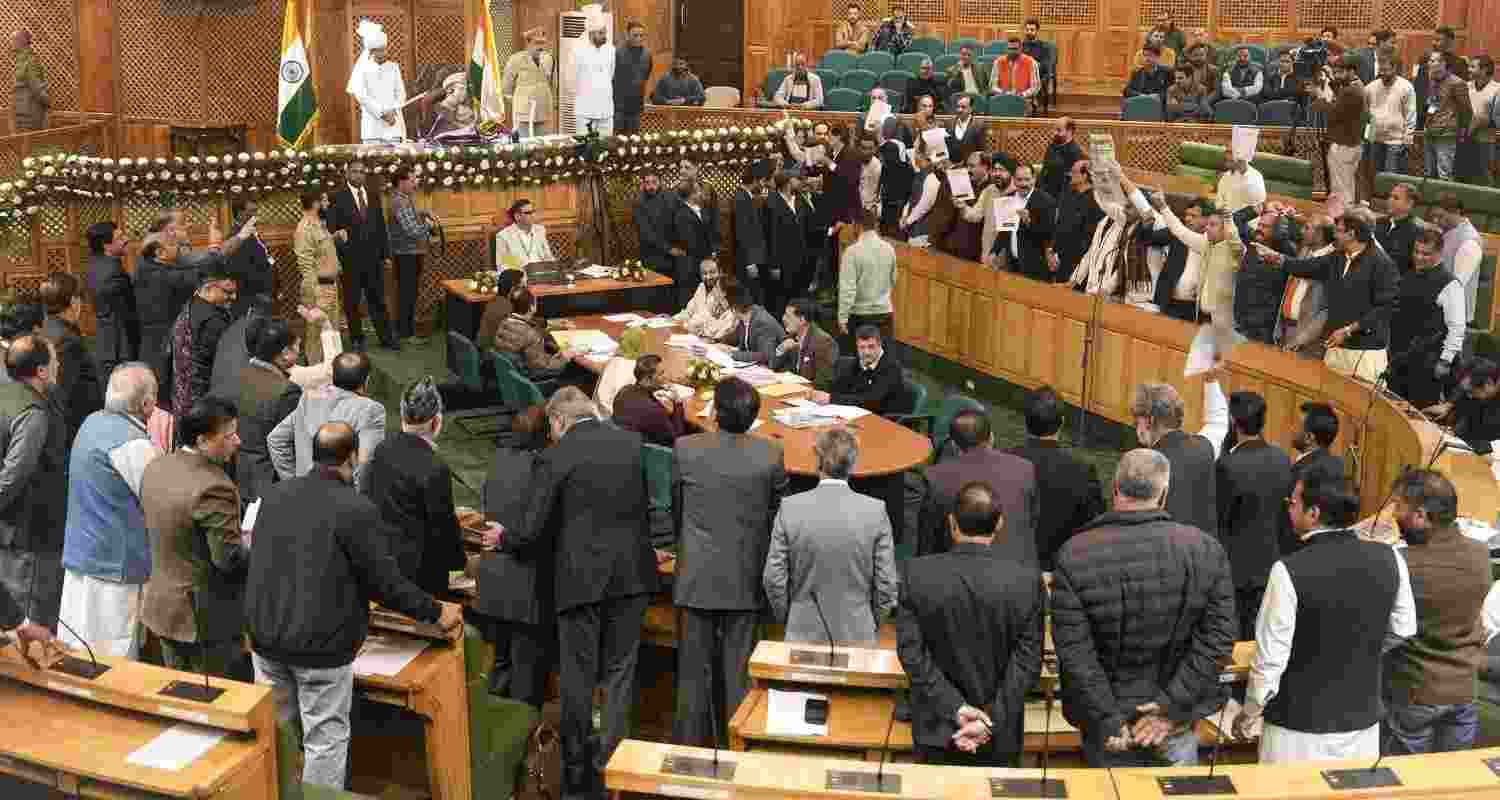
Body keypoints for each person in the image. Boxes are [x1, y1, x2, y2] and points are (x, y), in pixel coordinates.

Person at [248, 421, 460, 788]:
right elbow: (386, 585)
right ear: (352, 458)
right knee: (324, 741)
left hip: (266, 639)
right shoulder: (355, 508)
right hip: (320, 649)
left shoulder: (275, 496)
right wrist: (436, 611)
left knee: (276, 736)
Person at [500, 387, 658, 800]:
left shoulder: (554, 457)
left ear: (557, 420)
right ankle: (614, 770)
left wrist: (505, 538)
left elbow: (532, 530)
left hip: (580, 583)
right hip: (633, 578)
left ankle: (575, 774)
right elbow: (646, 507)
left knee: (578, 676)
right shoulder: (630, 443)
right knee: (621, 674)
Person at [1053, 449, 1236, 767]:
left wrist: (1110, 718)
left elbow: (1075, 653)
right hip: (1173, 720)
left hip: (1109, 727)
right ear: (1164, 494)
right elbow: (1218, 640)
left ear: (1115, 489)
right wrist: (1168, 708)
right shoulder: (1205, 550)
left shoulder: (1074, 554)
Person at [1234, 475, 1415, 762]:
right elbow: (1403, 629)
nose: (1289, 509)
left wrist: (1249, 713)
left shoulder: (1287, 570)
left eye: (1292, 503)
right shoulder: (1390, 557)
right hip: (1362, 724)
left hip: (1295, 731)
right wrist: (1360, 649)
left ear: (1313, 513)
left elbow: (1271, 660)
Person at [671, 377, 786, 746]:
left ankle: (687, 755)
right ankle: (739, 752)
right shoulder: (770, 455)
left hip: (696, 575)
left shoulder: (685, 448)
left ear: (716, 413)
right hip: (746, 575)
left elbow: (676, 510)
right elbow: (775, 516)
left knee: (692, 675)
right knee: (739, 676)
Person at [898, 481, 1043, 767]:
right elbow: (1027, 663)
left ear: (952, 523)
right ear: (999, 524)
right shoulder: (1026, 581)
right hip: (998, 734)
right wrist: (990, 720)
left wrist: (954, 708)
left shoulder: (917, 574)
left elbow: (912, 654)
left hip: (937, 728)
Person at [58, 363, 164, 658]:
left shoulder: (90, 423)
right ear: (147, 403)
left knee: (76, 647)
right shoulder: (133, 444)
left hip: (81, 554)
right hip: (115, 567)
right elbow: (158, 501)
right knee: (112, 656)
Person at [1383, 470, 1489, 754]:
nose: (1394, 514)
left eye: (1398, 506)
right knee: (1451, 784)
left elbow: (1390, 631)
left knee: (1405, 786)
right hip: (1464, 690)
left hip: (1415, 692)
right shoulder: (1481, 555)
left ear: (1420, 515)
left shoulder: (1401, 565)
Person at [140, 398, 246, 677]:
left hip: (162, 608)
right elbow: (228, 559)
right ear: (202, 440)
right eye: (229, 435)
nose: (238, 441)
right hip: (204, 620)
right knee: (214, 705)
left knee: (179, 699)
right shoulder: (215, 486)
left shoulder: (156, 467)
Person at [764, 426, 896, 644]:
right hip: (858, 632)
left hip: (801, 632)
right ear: (853, 463)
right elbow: (887, 585)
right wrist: (871, 622)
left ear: (817, 459)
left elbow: (773, 579)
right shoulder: (876, 512)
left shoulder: (790, 508)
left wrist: (789, 618)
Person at [1257, 213, 1399, 383]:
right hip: (1335, 345)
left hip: (1365, 351)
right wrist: (1276, 258)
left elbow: (1385, 308)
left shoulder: (1382, 264)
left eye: (1339, 231)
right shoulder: (1337, 257)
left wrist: (1349, 330)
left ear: (1351, 234)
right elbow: (1306, 267)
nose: (1334, 235)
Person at [473, 406, 551, 703]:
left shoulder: (498, 460)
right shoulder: (541, 468)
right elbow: (536, 531)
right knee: (525, 674)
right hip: (525, 586)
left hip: (492, 580)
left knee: (500, 663)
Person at [0, 336, 66, 629]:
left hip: (12, 532)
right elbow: (13, 476)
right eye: (54, 361)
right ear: (41, 371)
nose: (58, 365)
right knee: (30, 624)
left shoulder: (5, 395)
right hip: (30, 535)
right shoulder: (34, 413)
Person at [1216, 391, 1292, 639]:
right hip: (1272, 562)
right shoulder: (1282, 458)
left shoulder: (1227, 466)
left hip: (1236, 571)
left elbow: (1220, 517)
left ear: (1233, 422)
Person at [919, 410, 1039, 566]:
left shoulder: (936, 477)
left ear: (954, 444)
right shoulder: (1025, 469)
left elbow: (927, 541)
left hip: (959, 572)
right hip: (1022, 572)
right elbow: (1033, 522)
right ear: (991, 437)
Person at [1004, 385, 1105, 571]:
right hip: (1061, 572)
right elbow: (1095, 526)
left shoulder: (1002, 460)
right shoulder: (1083, 471)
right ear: (1062, 422)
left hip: (1009, 566)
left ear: (1025, 421)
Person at [268, 351, 385, 489]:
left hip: (304, 491)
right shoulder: (371, 410)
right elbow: (366, 465)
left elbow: (275, 440)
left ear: (333, 375)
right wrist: (357, 499)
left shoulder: (309, 397)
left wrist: (294, 482)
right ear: (366, 380)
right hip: (343, 500)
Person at [1131, 373, 1229, 536]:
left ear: (1150, 420)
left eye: (1137, 420)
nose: (1136, 426)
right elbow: (1218, 423)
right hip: (1206, 553)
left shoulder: (1142, 468)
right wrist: (1211, 380)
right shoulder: (1204, 446)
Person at [1388, 225, 1466, 409]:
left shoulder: (1450, 284)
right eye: (1416, 251)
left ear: (1440, 253)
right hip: (1401, 356)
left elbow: (1457, 327)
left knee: (1419, 412)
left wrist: (1445, 360)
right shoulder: (1409, 275)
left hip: (1428, 362)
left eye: (1426, 254)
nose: (1419, 257)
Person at [327, 161, 397, 352]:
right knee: (352, 301)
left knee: (378, 299)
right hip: (350, 260)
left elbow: (380, 227)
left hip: (373, 258)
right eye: (355, 172)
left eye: (362, 172)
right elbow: (332, 229)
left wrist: (385, 255)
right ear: (347, 173)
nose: (359, 175)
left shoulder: (373, 195)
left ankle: (386, 338)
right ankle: (357, 339)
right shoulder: (338, 197)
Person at [1145, 190, 1244, 324]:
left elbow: (1235, 242)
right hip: (1200, 314)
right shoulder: (1206, 244)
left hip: (1221, 321)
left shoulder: (1234, 250)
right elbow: (1180, 231)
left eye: (1213, 225)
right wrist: (1163, 206)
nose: (1207, 228)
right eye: (1208, 224)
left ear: (1225, 229)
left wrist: (1229, 221)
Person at [234, 317, 300, 505]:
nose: (299, 350)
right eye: (297, 346)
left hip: (237, 477)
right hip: (270, 485)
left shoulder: (238, 375)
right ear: (285, 353)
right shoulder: (287, 392)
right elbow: (289, 446)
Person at [169, 268, 238, 424]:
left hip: (181, 397)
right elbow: (224, 364)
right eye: (228, 292)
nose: (233, 297)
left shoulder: (191, 304)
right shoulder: (214, 321)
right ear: (208, 288)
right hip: (205, 402)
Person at [39, 273, 102, 444]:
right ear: (74, 302)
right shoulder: (66, 340)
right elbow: (61, 393)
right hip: (74, 429)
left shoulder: (48, 328)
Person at [387, 167, 437, 341]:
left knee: (408, 292)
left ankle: (405, 330)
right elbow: (411, 230)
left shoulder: (404, 198)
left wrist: (422, 213)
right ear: (402, 182)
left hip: (408, 253)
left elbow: (409, 219)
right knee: (407, 293)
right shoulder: (400, 201)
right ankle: (405, 332)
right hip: (406, 254)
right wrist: (429, 226)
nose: (415, 183)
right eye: (412, 180)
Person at [294, 191, 344, 365]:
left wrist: (334, 237)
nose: (327, 203)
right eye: (324, 200)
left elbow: (320, 249)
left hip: (329, 285)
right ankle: (316, 373)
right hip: (318, 288)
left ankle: (333, 372)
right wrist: (316, 293)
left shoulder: (319, 224)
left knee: (332, 331)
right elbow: (305, 264)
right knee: (316, 334)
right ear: (315, 204)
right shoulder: (305, 228)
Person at [1310, 57, 1368, 203]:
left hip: (1344, 143)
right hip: (1351, 142)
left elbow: (1335, 113)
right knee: (1346, 183)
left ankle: (1342, 217)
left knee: (1341, 186)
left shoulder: (1351, 91)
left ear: (1352, 71)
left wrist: (1320, 99)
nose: (1336, 76)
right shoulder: (1357, 85)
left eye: (1340, 72)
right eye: (1335, 73)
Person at [87, 222, 140, 377]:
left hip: (107, 344)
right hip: (117, 348)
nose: (126, 240)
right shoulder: (111, 273)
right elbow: (127, 311)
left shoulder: (97, 264)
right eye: (119, 238)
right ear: (106, 245)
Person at [838, 207, 897, 343]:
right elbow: (893, 280)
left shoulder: (852, 252)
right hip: (884, 313)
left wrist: (842, 318)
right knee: (884, 360)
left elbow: (848, 289)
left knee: (860, 361)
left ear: (857, 225)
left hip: (860, 316)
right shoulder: (889, 249)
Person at [815, 325, 903, 414]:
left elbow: (871, 401)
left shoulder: (891, 367)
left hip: (884, 418)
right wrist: (823, 394)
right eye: (862, 347)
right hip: (857, 413)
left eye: (871, 347)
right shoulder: (859, 361)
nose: (866, 352)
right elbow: (840, 386)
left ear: (880, 344)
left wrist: (832, 399)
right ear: (857, 346)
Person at [347, 20, 406, 142]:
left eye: (384, 49)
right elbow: (361, 96)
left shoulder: (393, 67)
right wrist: (382, 113)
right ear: (371, 51)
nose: (383, 52)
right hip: (372, 129)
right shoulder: (362, 69)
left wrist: (393, 111)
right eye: (379, 50)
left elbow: (401, 93)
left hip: (393, 125)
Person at [1424, 358, 1500, 453]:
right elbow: (1471, 415)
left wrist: (1474, 445)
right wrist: (1454, 432)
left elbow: (1493, 445)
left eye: (1471, 392)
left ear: (1488, 383)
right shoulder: (1483, 385)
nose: (1470, 396)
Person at [610, 355, 687, 447]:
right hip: (648, 455)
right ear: (647, 379)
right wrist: (678, 402)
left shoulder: (624, 391)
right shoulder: (653, 409)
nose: (666, 376)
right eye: (661, 374)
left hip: (621, 445)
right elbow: (677, 438)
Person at [1431, 192, 1483, 323]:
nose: (1436, 221)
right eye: (1434, 216)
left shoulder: (1469, 242)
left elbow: (1456, 285)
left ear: (1456, 212)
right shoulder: (1446, 231)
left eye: (1440, 216)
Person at [669, 182, 722, 310]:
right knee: (690, 301)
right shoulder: (681, 214)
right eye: (698, 191)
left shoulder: (701, 210)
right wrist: (708, 255)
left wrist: (713, 250)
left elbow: (710, 232)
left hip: (703, 262)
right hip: (690, 264)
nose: (701, 194)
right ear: (692, 195)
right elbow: (690, 242)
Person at [1422, 50, 1473, 180]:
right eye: (1430, 61)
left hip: (1446, 132)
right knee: (1428, 172)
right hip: (1430, 130)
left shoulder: (1457, 83)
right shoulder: (1431, 79)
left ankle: (1445, 200)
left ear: (1443, 63)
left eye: (1433, 61)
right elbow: (1431, 104)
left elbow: (1466, 109)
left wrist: (1462, 129)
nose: (1429, 63)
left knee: (1444, 173)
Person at [1052, 160, 1105, 282]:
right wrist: (1052, 251)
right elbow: (1060, 224)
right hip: (1060, 260)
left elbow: (1090, 236)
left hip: (1079, 264)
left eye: (1074, 172)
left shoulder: (1096, 201)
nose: (1070, 175)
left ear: (1085, 176)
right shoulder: (1068, 195)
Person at [774, 297, 839, 390]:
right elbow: (774, 367)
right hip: (791, 391)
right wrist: (781, 349)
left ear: (802, 320)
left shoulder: (823, 342)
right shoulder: (791, 337)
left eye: (788, 316)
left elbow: (823, 383)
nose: (783, 318)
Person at [1366, 57, 1416, 176]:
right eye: (1380, 70)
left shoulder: (1406, 87)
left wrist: (1408, 139)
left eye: (1386, 70)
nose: (1382, 74)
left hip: (1396, 141)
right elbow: (1367, 114)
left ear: (1394, 68)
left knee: (1391, 177)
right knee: (1375, 176)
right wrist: (1368, 137)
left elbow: (1411, 114)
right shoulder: (1370, 87)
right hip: (1375, 140)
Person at [502, 28, 555, 138]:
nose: (541, 47)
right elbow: (506, 87)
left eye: (543, 43)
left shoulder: (549, 59)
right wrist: (519, 100)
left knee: (545, 143)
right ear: (528, 43)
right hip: (523, 111)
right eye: (537, 43)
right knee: (523, 143)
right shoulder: (516, 59)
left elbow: (553, 84)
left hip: (544, 110)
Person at [715, 283, 785, 367]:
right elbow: (735, 337)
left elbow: (765, 355)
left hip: (777, 370)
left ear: (734, 309)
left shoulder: (762, 321)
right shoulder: (744, 318)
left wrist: (731, 353)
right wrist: (717, 342)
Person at [730, 162, 771, 302]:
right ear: (755, 180)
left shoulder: (746, 197)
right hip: (747, 261)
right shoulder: (741, 199)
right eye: (763, 180)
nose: (764, 184)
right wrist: (750, 262)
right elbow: (742, 233)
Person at [672, 258, 736, 340]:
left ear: (720, 272)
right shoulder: (701, 287)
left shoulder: (725, 290)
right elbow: (689, 312)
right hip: (694, 333)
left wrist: (691, 326)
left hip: (712, 338)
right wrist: (672, 319)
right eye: (704, 273)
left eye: (712, 272)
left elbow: (725, 323)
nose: (708, 277)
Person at [226, 199, 270, 316]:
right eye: (252, 211)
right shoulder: (235, 237)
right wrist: (261, 292)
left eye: (256, 211)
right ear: (240, 213)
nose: (255, 215)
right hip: (249, 298)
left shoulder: (252, 233)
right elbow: (240, 270)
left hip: (259, 295)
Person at [572, 18, 615, 135]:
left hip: (605, 108)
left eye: (605, 33)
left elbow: (611, 74)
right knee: (585, 148)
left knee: (605, 147)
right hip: (585, 109)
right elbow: (573, 77)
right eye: (601, 33)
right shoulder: (578, 51)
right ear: (591, 34)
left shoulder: (611, 50)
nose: (604, 36)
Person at [1376, 183, 1423, 275]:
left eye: (1396, 198)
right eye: (1390, 196)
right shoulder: (1378, 223)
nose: (1389, 200)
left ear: (1409, 204)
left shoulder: (1416, 233)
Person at [613, 21, 651, 134]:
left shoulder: (647, 55)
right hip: (618, 107)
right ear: (627, 34)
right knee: (616, 141)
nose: (638, 38)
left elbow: (646, 75)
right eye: (635, 35)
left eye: (641, 35)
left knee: (634, 141)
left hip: (636, 107)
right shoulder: (617, 53)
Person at [990, 37, 1041, 112]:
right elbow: (992, 85)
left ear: (1021, 49)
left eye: (1015, 49)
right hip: (1003, 99)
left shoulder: (1031, 62)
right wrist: (1004, 93)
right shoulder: (998, 62)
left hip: (1024, 100)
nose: (1012, 51)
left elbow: (1036, 87)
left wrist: (1022, 95)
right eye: (1009, 49)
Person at [11, 30, 48, 132]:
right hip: (21, 111)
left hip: (30, 112)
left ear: (22, 41)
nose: (12, 43)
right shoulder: (21, 60)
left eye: (14, 40)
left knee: (31, 143)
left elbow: (37, 87)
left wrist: (48, 104)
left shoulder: (30, 61)